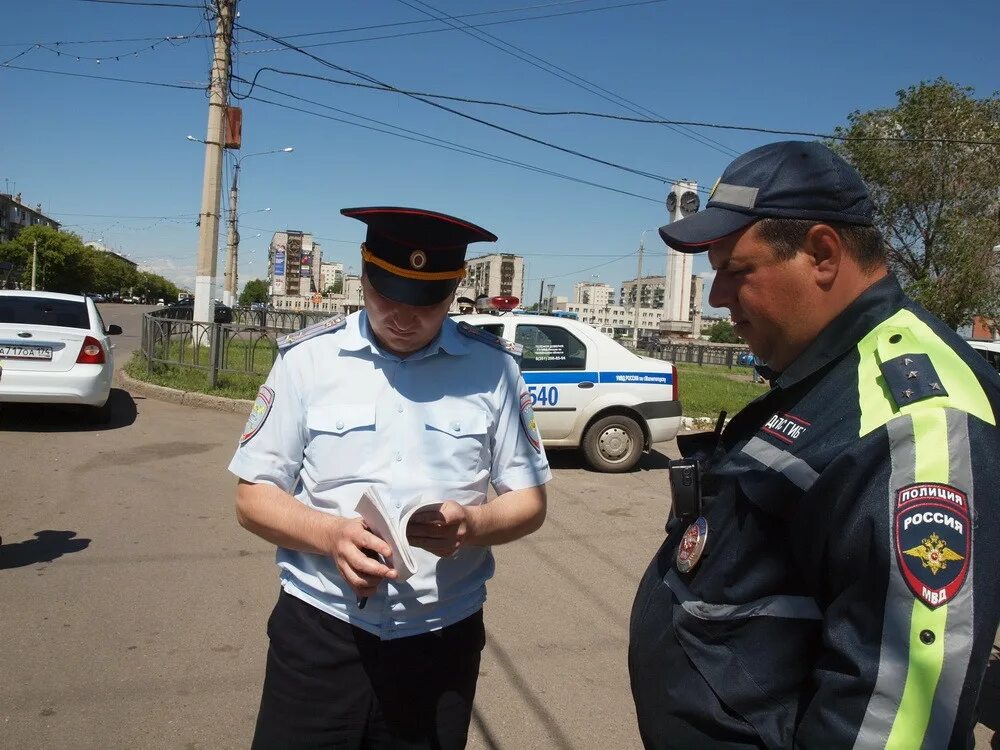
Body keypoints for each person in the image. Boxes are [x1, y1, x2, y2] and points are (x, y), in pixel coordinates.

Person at [629, 141, 1000, 748]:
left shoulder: (919, 421)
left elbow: (896, 718)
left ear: (822, 254)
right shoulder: (822, 371)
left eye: (735, 270)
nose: (717, 296)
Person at [230, 206, 551, 749]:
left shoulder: (494, 369)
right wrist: (330, 536)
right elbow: (252, 498)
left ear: (453, 292)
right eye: (386, 296)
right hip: (319, 633)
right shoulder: (307, 361)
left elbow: (530, 501)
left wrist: (472, 524)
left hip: (439, 642)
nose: (402, 317)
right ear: (365, 274)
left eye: (424, 303)